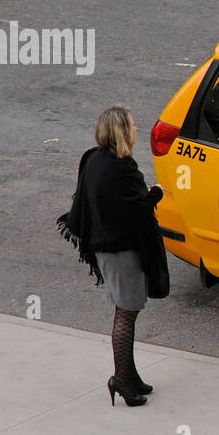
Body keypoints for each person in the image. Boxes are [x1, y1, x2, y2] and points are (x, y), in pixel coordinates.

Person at [57, 105, 166, 408]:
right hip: (121, 251)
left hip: (104, 248)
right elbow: (135, 210)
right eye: (132, 125)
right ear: (120, 131)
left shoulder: (93, 159)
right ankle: (122, 381)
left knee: (124, 311)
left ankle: (129, 376)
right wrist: (154, 195)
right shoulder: (122, 168)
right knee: (126, 313)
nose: (136, 130)